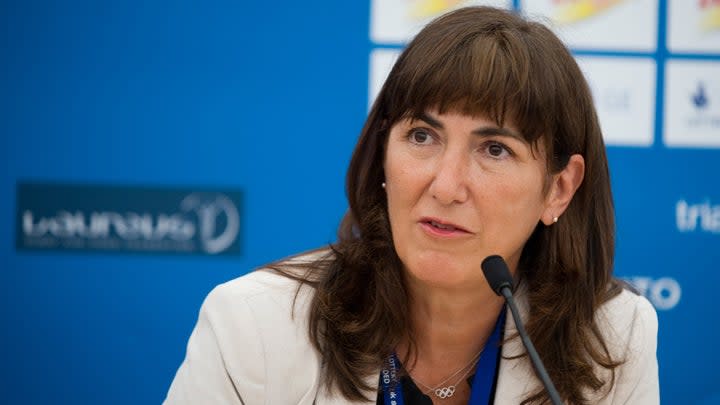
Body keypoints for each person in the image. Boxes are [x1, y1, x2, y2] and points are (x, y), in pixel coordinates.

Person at [164, 6, 659, 405]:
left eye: (494, 149)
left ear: (559, 189)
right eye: (422, 136)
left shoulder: (612, 340)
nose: (446, 187)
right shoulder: (254, 328)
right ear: (383, 155)